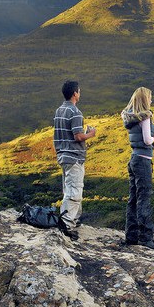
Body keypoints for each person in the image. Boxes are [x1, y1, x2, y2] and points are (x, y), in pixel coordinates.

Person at [121, 87, 154, 251]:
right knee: (144, 198)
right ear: (145, 99)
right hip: (143, 161)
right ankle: (146, 237)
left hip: (134, 158)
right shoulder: (145, 116)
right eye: (150, 97)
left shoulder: (131, 118)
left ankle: (131, 235)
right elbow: (148, 140)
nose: (151, 100)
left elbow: (140, 136)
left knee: (133, 198)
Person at [53, 80, 96, 241]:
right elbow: (78, 136)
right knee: (74, 192)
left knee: (68, 189)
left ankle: (74, 220)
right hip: (74, 156)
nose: (80, 93)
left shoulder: (59, 111)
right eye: (79, 91)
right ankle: (67, 226)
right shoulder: (75, 112)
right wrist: (90, 134)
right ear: (75, 93)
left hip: (63, 156)